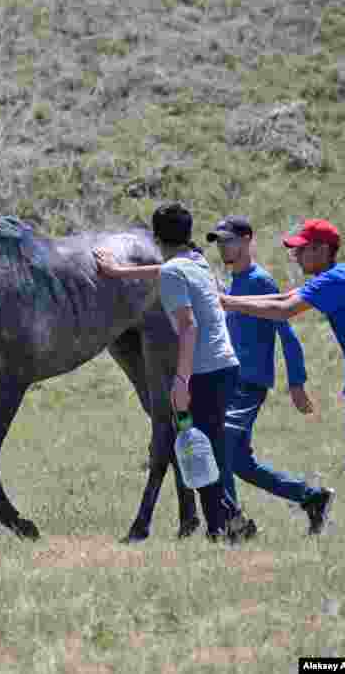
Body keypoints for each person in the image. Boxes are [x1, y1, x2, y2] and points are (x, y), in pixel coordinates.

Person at [220, 218, 345, 536]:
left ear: (322, 249)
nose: (296, 257)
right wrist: (227, 301)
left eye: (301, 251)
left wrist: (228, 303)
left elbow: (284, 311)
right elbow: (283, 298)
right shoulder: (335, 276)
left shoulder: (336, 279)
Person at [94, 203, 256, 543]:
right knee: (201, 449)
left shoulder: (173, 273)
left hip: (204, 372)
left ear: (155, 237)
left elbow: (188, 327)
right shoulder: (197, 262)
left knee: (200, 451)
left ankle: (227, 527)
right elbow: (164, 269)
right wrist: (121, 272)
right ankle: (223, 524)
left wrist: (181, 380)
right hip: (225, 367)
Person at [205, 215, 335, 535]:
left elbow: (286, 333)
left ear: (248, 239)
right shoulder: (230, 283)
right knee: (240, 464)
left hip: (249, 383)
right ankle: (311, 497)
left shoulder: (260, 281)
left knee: (218, 443)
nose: (223, 247)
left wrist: (297, 382)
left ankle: (232, 524)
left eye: (229, 240)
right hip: (229, 380)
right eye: (219, 241)